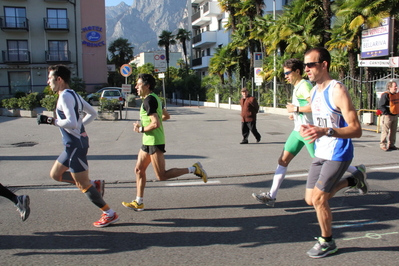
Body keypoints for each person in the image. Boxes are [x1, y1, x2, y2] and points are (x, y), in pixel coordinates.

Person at [252, 59, 367, 207]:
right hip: (297, 131)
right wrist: (296, 114)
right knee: (283, 161)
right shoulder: (297, 87)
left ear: (297, 72)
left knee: (325, 161)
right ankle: (271, 196)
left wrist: (296, 109)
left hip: (309, 132)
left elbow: (314, 106)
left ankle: (357, 172)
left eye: (287, 73)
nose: (285, 76)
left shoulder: (305, 86)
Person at [300, 47, 369, 258]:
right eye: (305, 65)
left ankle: (327, 241)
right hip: (321, 151)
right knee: (310, 200)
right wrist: (310, 129)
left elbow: (356, 129)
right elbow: (319, 117)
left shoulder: (337, 90)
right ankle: (353, 180)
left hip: (339, 152)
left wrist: (326, 131)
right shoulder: (313, 91)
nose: (306, 69)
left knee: (320, 200)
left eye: (310, 64)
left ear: (324, 65)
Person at [38, 64, 119, 228]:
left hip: (75, 146)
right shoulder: (72, 94)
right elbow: (92, 113)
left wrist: (51, 121)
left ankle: (109, 213)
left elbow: (72, 122)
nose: (48, 82)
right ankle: (93, 183)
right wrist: (81, 128)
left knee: (83, 185)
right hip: (72, 145)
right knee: (56, 175)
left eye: (50, 78)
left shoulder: (65, 97)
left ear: (59, 79)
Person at [122, 73, 208, 211]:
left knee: (161, 176)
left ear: (147, 85)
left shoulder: (148, 101)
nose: (136, 86)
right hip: (148, 141)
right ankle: (139, 201)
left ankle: (194, 169)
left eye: (138, 84)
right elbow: (166, 116)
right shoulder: (154, 98)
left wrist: (141, 129)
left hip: (155, 142)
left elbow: (155, 123)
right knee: (139, 170)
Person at [378, 80, 399, 151]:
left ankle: (391, 144)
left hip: (395, 115)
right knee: (385, 131)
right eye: (394, 86)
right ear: (390, 87)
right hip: (388, 116)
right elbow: (381, 106)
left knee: (393, 131)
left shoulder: (396, 95)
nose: (396, 87)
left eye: (396, 86)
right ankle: (383, 144)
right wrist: (386, 113)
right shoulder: (386, 95)